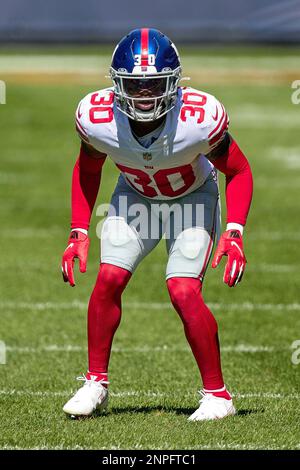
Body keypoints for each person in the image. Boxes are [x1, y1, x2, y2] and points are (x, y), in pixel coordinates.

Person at [61, 28, 253, 420]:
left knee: (182, 289)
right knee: (109, 278)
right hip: (136, 197)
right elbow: (87, 168)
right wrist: (78, 231)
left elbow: (239, 169)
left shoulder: (198, 119)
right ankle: (95, 383)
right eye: (134, 85)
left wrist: (235, 231)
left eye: (153, 85)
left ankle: (218, 396)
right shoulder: (97, 118)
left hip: (192, 196)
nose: (144, 96)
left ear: (173, 83)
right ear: (117, 85)